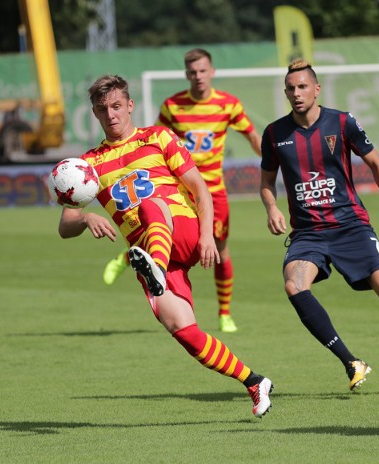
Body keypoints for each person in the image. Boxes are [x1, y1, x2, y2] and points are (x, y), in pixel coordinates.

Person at [57, 74, 272, 418]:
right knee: (183, 330)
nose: (111, 114)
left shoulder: (158, 137)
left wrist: (206, 236)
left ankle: (154, 265)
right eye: (102, 109)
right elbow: (64, 226)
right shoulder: (89, 164)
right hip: (149, 252)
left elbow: (200, 189)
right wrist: (84, 219)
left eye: (116, 106)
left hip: (182, 230)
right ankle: (254, 381)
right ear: (95, 114)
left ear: (130, 106)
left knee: (151, 205)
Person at [260, 59, 379, 395]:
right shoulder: (274, 133)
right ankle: (351, 362)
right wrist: (272, 206)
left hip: (351, 226)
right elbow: (265, 181)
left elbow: (376, 163)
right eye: (290, 88)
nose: (296, 93)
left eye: (303, 86)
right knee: (294, 285)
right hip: (308, 234)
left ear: (317, 89)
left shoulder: (342, 122)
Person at [103, 48, 262, 334]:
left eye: (202, 71)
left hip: (211, 190)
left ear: (212, 71)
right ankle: (132, 257)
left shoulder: (228, 104)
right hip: (177, 188)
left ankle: (224, 312)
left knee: (219, 251)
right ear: (186, 74)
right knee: (153, 227)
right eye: (192, 72)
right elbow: (149, 141)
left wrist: (274, 165)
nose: (198, 76)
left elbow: (251, 135)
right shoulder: (173, 106)